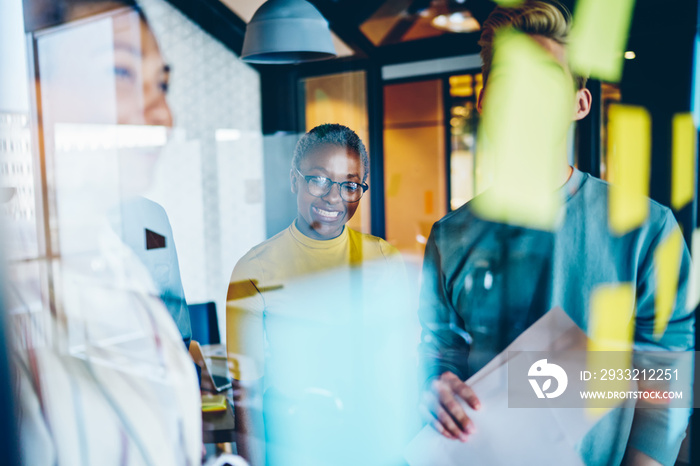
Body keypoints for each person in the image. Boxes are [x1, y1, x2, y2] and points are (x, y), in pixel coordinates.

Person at [418, 2, 694, 465]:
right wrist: (434, 385)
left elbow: (666, 376)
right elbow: (439, 353)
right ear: (485, 99)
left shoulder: (647, 230)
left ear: (579, 103)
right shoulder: (449, 237)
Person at [7, 1, 201, 464]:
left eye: (162, 84)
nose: (162, 115)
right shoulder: (14, 293)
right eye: (121, 72)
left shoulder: (115, 261)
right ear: (31, 87)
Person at [226, 123, 416, 466]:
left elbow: (401, 370)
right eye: (319, 179)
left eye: (350, 185)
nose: (333, 197)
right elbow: (246, 395)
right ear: (295, 180)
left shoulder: (384, 259)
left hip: (371, 444)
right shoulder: (253, 269)